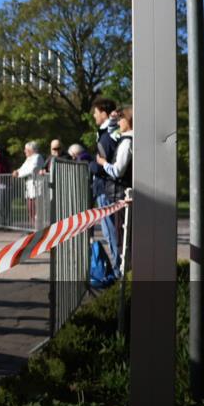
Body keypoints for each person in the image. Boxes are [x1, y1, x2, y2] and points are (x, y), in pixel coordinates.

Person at [89, 98, 121, 275]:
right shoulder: (107, 133)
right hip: (105, 189)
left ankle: (118, 273)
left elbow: (103, 163)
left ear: (103, 113)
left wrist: (93, 166)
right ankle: (118, 271)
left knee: (112, 235)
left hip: (106, 190)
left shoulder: (108, 135)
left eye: (96, 112)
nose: (94, 115)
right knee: (111, 234)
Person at [13, 141, 45, 226]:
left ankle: (38, 228)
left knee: (37, 210)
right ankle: (34, 227)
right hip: (30, 187)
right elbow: (22, 168)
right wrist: (17, 171)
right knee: (30, 208)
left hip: (37, 187)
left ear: (31, 150)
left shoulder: (37, 157)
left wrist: (18, 174)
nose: (24, 151)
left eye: (26, 149)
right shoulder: (29, 159)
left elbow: (32, 169)